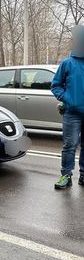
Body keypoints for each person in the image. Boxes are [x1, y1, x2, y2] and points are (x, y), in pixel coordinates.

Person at [51, 25, 84, 189]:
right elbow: (55, 85)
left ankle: (83, 175)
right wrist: (67, 99)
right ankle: (66, 175)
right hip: (72, 113)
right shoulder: (67, 63)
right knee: (70, 145)